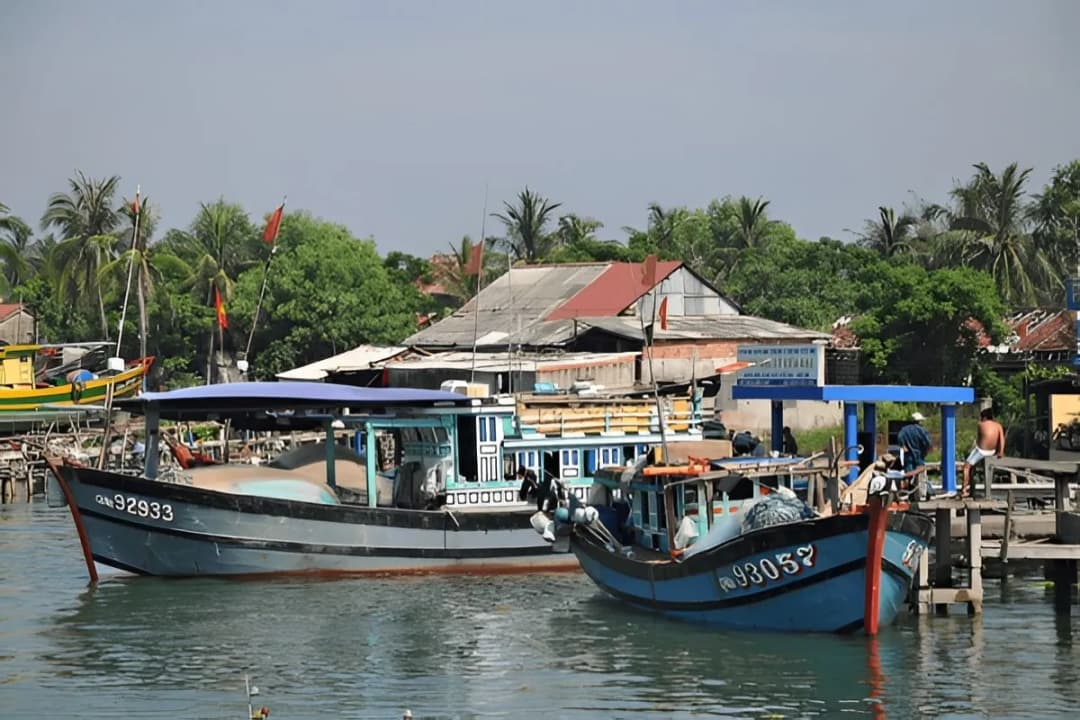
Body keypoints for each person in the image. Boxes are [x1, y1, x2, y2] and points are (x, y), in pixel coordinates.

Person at [962, 408, 1005, 498]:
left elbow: (979, 440)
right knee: (974, 465)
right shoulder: (998, 426)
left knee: (966, 467)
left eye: (981, 417)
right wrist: (1000, 452)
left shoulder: (980, 424)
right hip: (992, 451)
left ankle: (964, 490)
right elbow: (1002, 440)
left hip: (981, 451)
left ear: (984, 417)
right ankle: (972, 488)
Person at [897, 412, 932, 476]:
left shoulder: (904, 430)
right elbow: (928, 442)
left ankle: (910, 481)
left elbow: (900, 437)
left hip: (908, 455)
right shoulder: (922, 431)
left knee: (909, 474)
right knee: (920, 473)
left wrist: (903, 445)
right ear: (919, 421)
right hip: (919, 455)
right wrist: (925, 450)